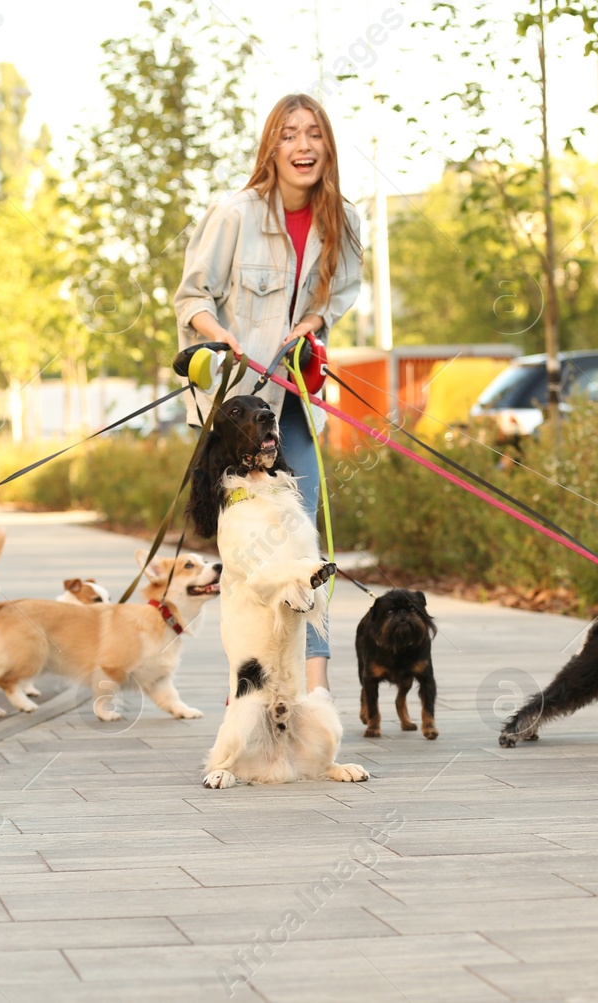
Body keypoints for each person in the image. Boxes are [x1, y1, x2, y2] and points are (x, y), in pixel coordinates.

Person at [173, 93, 363, 694]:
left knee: (304, 537)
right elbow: (191, 298)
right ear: (271, 148)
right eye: (289, 135)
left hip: (295, 403)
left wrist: (312, 325)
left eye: (313, 134)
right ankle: (252, 683)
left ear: (327, 145)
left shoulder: (345, 219)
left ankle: (315, 689)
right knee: (247, 547)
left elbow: (334, 298)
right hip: (238, 411)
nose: (303, 146)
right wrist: (218, 334)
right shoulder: (234, 213)